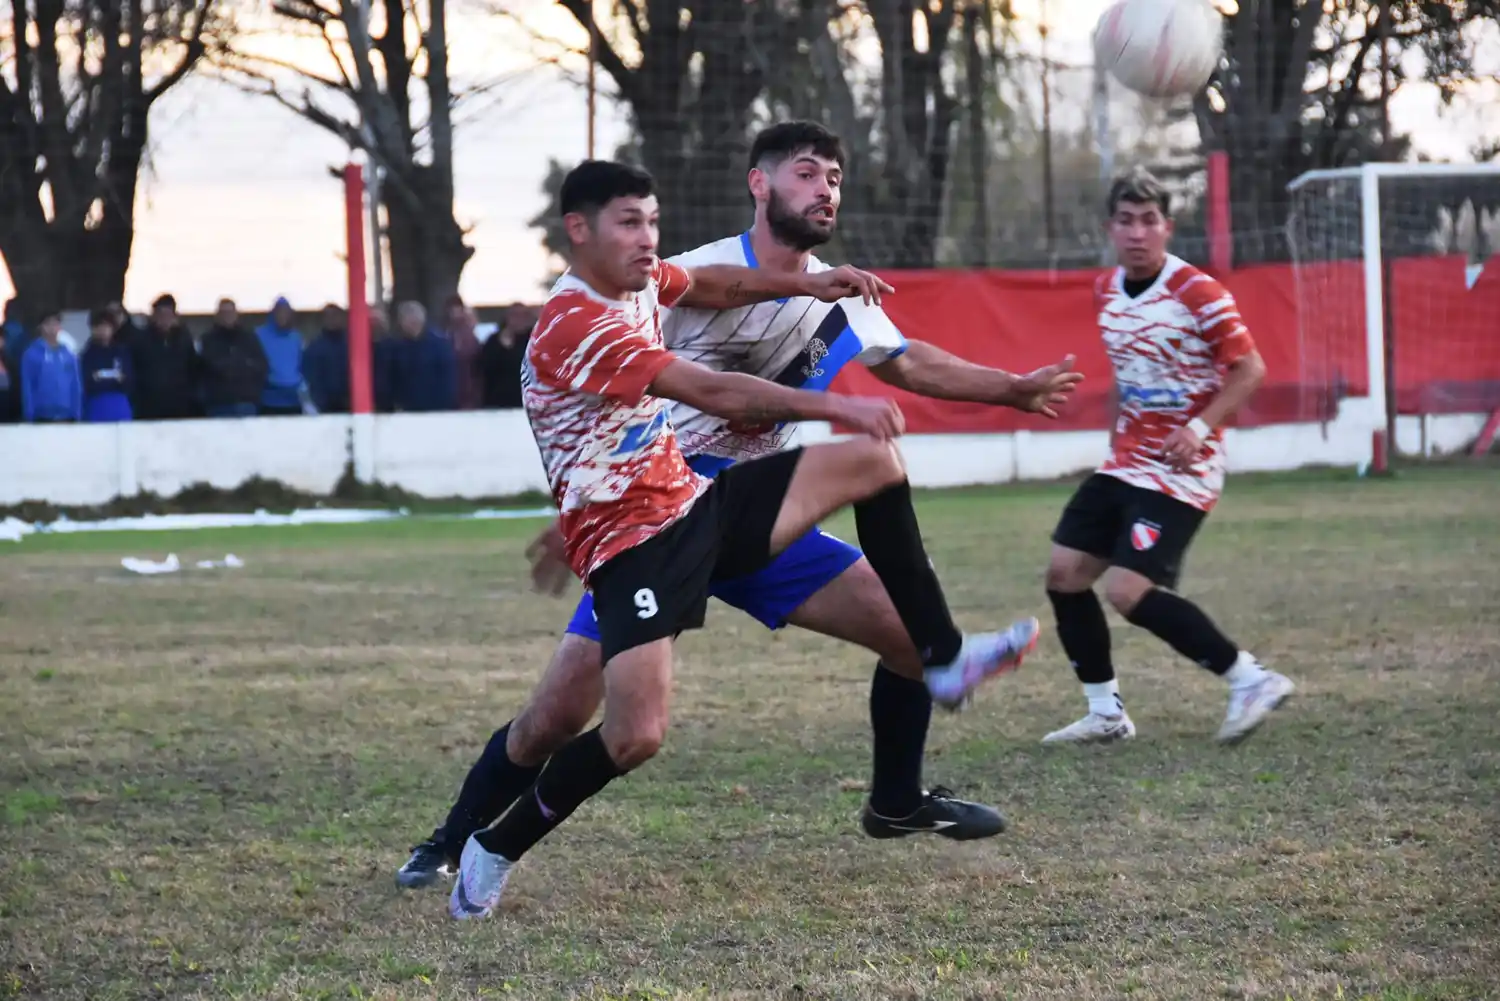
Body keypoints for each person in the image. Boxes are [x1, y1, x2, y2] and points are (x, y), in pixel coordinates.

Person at [399, 122, 1082, 894]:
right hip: (650, 521)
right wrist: (579, 510)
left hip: (752, 508)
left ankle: (897, 797)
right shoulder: (653, 277)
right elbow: (672, 389)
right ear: (760, 183)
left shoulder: (833, 289)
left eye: (835, 177)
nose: (825, 189)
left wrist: (1012, 388)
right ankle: (450, 843)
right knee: (560, 717)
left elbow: (909, 361)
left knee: (907, 639)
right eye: (807, 173)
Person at [1041, 168, 1293, 747]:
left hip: (1185, 469)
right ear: (1110, 227)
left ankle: (1250, 679)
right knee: (1064, 575)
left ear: (1167, 228)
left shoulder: (1198, 291)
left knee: (1126, 591)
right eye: (1126, 221)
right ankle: (1105, 713)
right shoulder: (1105, 291)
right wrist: (1116, 442)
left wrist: (1199, 429)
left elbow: (1250, 369)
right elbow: (1130, 375)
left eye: (1149, 221)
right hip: (1126, 461)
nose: (1137, 233)